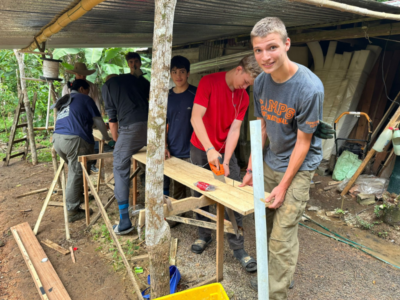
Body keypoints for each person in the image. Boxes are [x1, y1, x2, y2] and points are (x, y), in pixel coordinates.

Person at [240, 17, 324, 298]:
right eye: (258, 50)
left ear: (287, 44)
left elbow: (303, 143)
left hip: (298, 169)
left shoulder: (309, 88)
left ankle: (273, 293)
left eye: (272, 47)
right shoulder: (262, 82)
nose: (265, 57)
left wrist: (284, 185)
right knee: (265, 228)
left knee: (282, 237)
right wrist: (252, 168)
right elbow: (261, 126)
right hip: (270, 161)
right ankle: (274, 277)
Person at [189, 54, 262, 273]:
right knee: (200, 195)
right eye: (246, 81)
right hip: (201, 148)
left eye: (249, 85)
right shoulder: (209, 82)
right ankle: (204, 236)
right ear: (239, 69)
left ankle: (238, 248)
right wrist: (210, 149)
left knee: (234, 195)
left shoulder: (244, 97)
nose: (245, 87)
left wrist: (227, 159)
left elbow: (235, 129)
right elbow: (195, 118)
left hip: (223, 150)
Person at [102, 54, 149, 235]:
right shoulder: (137, 80)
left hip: (130, 128)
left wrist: (117, 142)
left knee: (120, 166)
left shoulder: (108, 86)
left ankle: (124, 221)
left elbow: (112, 120)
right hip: (150, 126)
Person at [52, 80, 110, 222]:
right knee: (76, 173)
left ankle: (79, 195)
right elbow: (97, 120)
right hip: (74, 140)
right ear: (83, 89)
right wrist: (107, 137)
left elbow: (76, 119)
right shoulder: (85, 98)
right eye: (88, 90)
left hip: (58, 140)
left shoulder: (65, 100)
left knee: (77, 170)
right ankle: (72, 210)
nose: (89, 93)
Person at [163, 55, 196, 199]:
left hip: (193, 149)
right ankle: (180, 216)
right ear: (170, 73)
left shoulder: (196, 93)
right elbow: (162, 123)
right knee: (177, 188)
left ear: (188, 73)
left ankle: (199, 217)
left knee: (196, 186)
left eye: (182, 71)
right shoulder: (167, 96)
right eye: (175, 72)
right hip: (173, 149)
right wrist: (164, 145)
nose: (178, 76)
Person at [62, 62, 102, 173]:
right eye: (80, 75)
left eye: (84, 75)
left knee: (93, 140)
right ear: (75, 74)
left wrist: (98, 120)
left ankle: (91, 163)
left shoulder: (91, 86)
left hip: (90, 118)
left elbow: (96, 103)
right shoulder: (67, 87)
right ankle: (78, 166)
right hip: (74, 120)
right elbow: (64, 104)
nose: (83, 77)